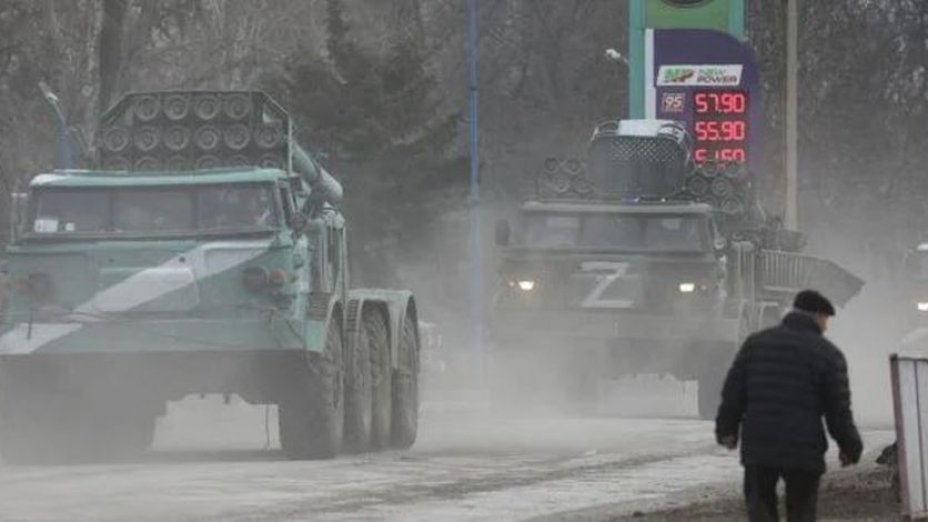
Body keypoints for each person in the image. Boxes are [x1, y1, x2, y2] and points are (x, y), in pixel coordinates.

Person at [715, 289, 863, 522]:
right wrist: (850, 446)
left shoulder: (756, 344)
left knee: (760, 509)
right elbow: (838, 410)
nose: (826, 327)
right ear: (817, 317)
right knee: (801, 512)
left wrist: (726, 430)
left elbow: (734, 393)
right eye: (826, 320)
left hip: (759, 447)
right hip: (803, 450)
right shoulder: (828, 354)